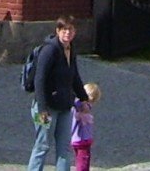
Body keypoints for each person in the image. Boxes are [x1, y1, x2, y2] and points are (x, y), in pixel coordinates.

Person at [26, 16, 83, 171]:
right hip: (45, 108)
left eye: (71, 29)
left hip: (64, 106)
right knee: (42, 145)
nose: (68, 33)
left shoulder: (71, 49)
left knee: (64, 148)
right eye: (64, 29)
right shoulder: (49, 50)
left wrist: (83, 98)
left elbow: (75, 76)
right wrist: (43, 109)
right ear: (58, 31)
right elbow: (39, 80)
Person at [70, 82, 100, 171]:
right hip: (83, 139)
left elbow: (74, 101)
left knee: (80, 160)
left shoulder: (80, 106)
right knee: (83, 161)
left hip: (77, 138)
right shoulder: (84, 106)